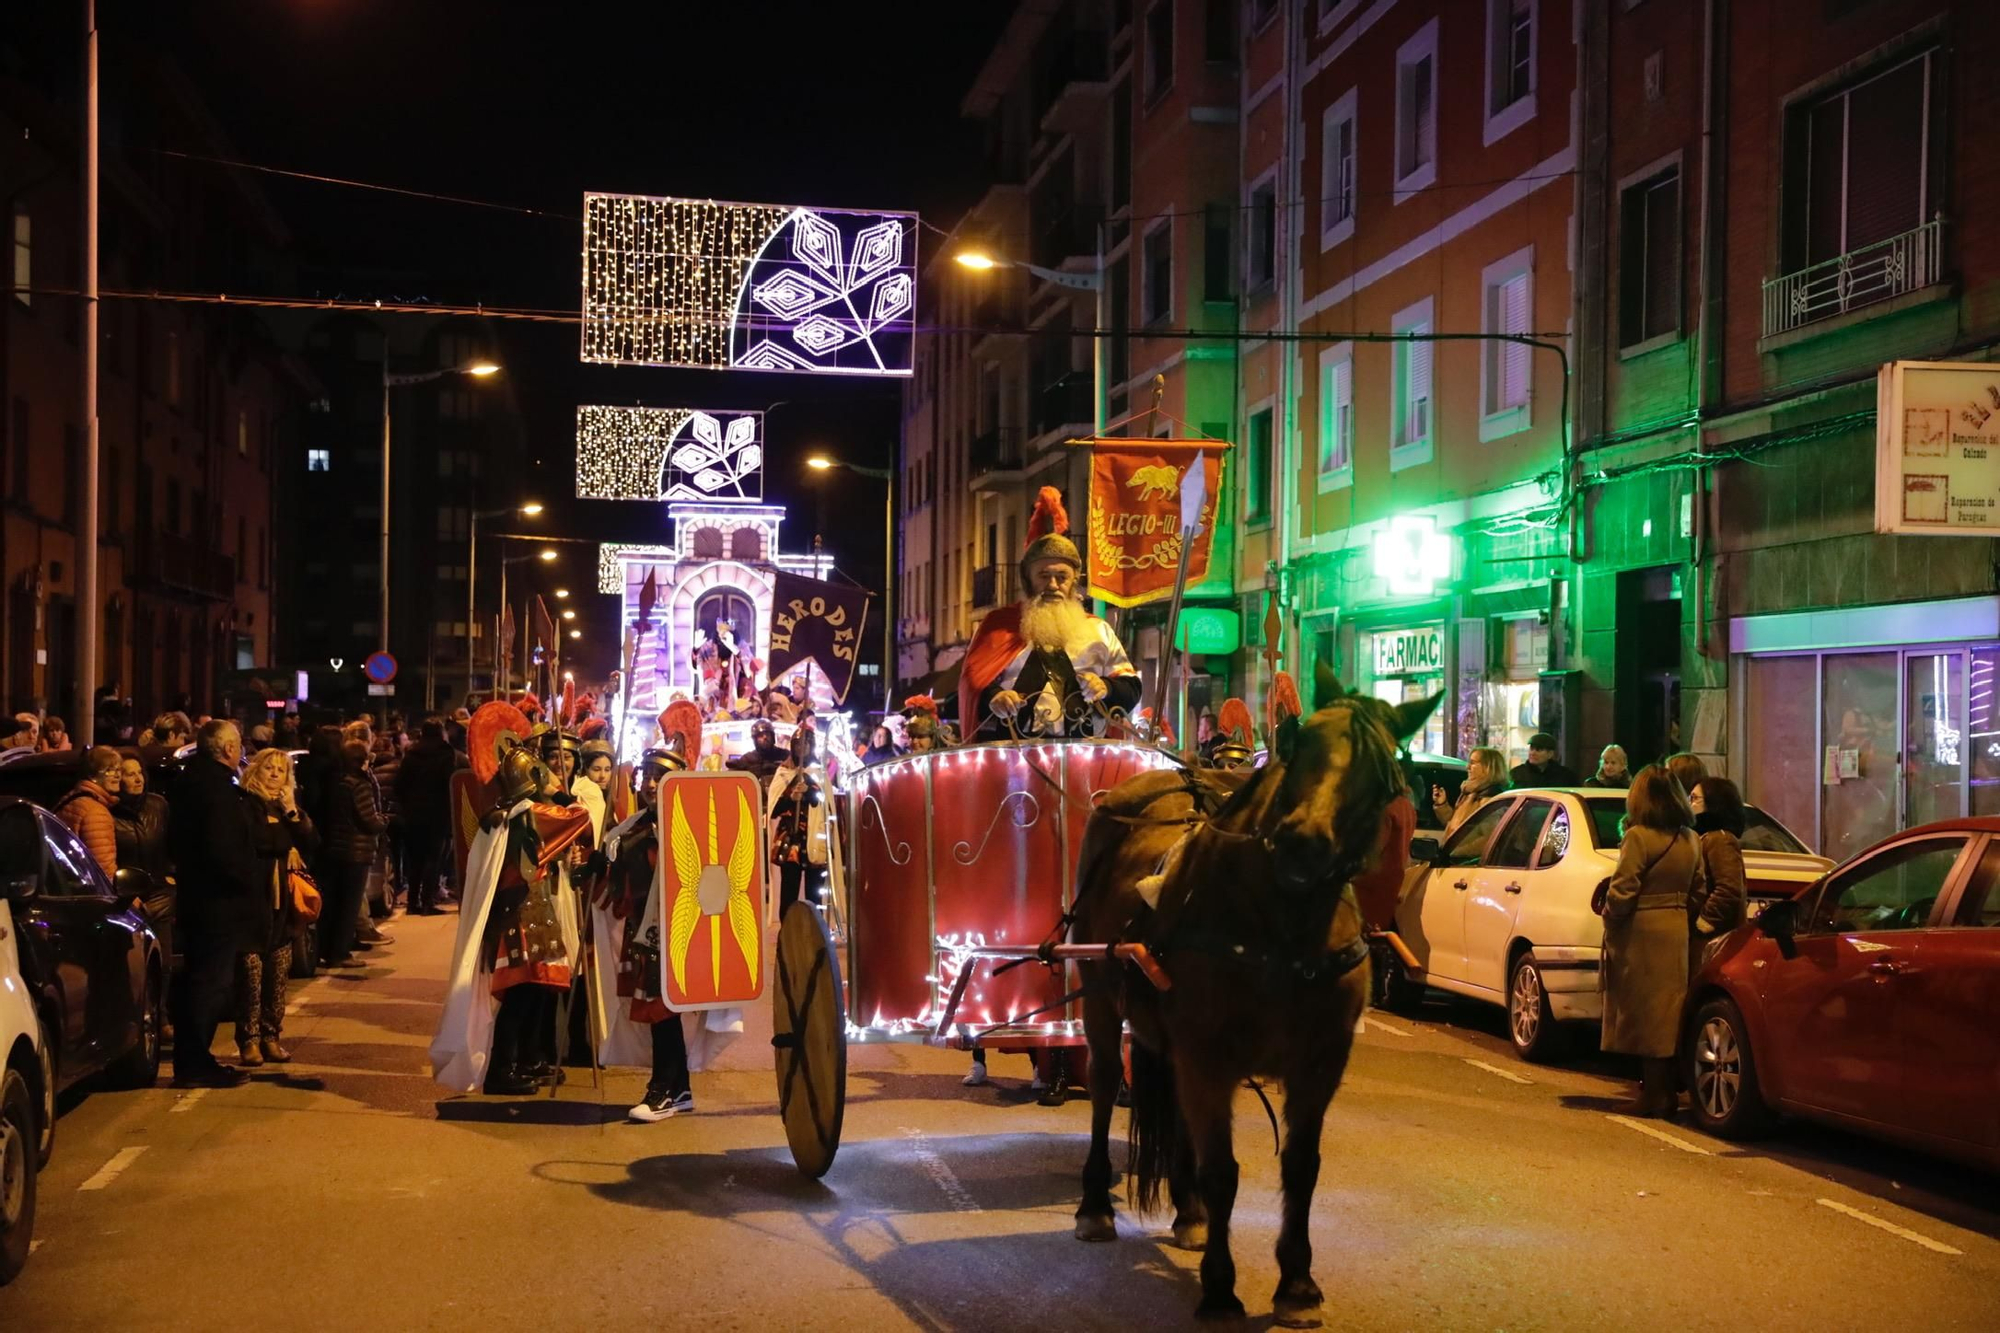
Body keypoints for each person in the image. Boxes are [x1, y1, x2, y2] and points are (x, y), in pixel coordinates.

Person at [430, 723, 594, 1097]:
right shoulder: (528, 814)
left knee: (538, 991)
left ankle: (527, 1060)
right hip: (519, 915)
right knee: (521, 995)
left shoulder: (505, 813)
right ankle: (503, 1069)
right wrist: (559, 792)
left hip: (531, 911)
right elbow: (581, 819)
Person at [959, 486, 1141, 741]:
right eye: (1044, 576)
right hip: (1013, 756)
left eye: (1061, 577)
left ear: (1074, 580)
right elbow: (972, 685)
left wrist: (1106, 687)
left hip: (1085, 755)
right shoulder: (998, 626)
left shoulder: (1099, 630)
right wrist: (994, 697)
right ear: (1028, 580)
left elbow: (1131, 686)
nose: (1053, 585)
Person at [1600, 764, 1706, 1119]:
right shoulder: (1690, 838)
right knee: (1667, 1011)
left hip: (1641, 929)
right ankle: (1664, 1092)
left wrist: (1611, 913)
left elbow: (1623, 889)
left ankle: (1654, 1095)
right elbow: (1700, 889)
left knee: (1643, 1010)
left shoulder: (1639, 837)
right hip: (1675, 928)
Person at [169, 721, 261, 1087]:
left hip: (199, 898)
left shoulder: (192, 784)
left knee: (202, 981)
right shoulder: (216, 792)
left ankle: (194, 1059)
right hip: (217, 905)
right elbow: (224, 851)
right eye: (238, 744)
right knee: (209, 984)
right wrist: (247, 885)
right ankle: (195, 1063)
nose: (241, 750)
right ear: (226, 749)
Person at [237, 749, 316, 1066]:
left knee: (278, 977)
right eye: (269, 768)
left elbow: (313, 841)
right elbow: (259, 841)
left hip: (283, 905)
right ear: (256, 771)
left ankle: (271, 1037)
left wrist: (291, 812)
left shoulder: (287, 809)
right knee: (250, 978)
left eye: (280, 770)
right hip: (253, 902)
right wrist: (287, 842)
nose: (274, 774)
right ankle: (249, 1041)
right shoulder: (245, 804)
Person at [320, 740, 387, 968]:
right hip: (356, 852)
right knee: (349, 906)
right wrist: (384, 822)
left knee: (335, 903)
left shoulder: (337, 783)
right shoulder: (359, 784)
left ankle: (328, 949)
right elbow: (368, 819)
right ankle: (340, 953)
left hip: (337, 850)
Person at [395, 719, 462, 916]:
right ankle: (427, 902)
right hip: (437, 814)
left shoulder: (411, 754)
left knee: (415, 859)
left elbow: (400, 784)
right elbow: (449, 783)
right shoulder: (446, 753)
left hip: (413, 815)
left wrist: (408, 804)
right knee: (434, 858)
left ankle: (412, 902)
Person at [768, 728, 827, 918]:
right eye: (797, 744)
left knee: (814, 894)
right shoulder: (784, 772)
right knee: (789, 893)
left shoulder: (819, 773)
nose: (801, 749)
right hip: (790, 841)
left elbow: (825, 804)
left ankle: (815, 935)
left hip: (814, 840)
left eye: (805, 744)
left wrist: (810, 791)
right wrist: (790, 796)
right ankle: (788, 934)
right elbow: (774, 809)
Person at [1688, 776, 1750, 951]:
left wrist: (1705, 921)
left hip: (1714, 938)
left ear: (1714, 803)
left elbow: (1729, 888)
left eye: (1695, 798)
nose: (1690, 804)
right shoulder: (1706, 837)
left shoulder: (1720, 839)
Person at [54, 746, 123, 879]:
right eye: (109, 770)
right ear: (93, 775)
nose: (117, 775)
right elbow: (103, 870)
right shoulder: (96, 813)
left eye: (118, 769)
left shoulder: (71, 798)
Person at [1434, 747, 1509, 835]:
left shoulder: (1490, 798)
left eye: (1473, 763)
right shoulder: (1470, 793)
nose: (1467, 767)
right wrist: (1442, 804)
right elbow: (1453, 825)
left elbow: (1486, 838)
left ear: (1488, 767)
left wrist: (1461, 849)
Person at [726, 719, 791, 787]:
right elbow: (731, 778)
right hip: (756, 796)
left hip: (780, 795)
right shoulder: (748, 759)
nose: (765, 737)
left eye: (767, 734)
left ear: (772, 737)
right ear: (755, 739)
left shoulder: (785, 755)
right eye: (761, 735)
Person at [1510, 733, 1579, 788]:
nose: (1532, 753)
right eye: (1531, 749)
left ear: (1550, 754)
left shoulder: (1565, 775)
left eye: (1539, 750)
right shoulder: (1517, 774)